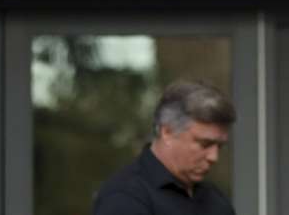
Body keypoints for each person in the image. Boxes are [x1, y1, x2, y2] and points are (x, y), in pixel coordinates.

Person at [93, 80, 237, 215]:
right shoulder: (124, 197)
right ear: (167, 132)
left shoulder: (215, 199)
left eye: (220, 146)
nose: (214, 157)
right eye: (204, 144)